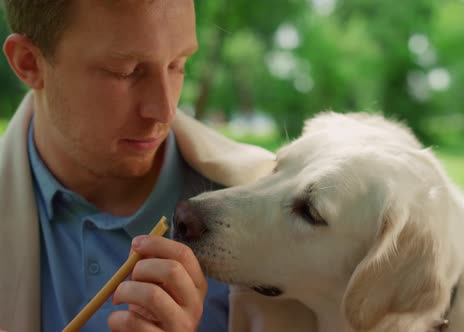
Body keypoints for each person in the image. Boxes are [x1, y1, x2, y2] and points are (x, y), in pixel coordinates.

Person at [0, 1, 275, 331]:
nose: (165, 111)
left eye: (178, 64)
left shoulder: (277, 209)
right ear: (29, 62)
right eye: (125, 71)